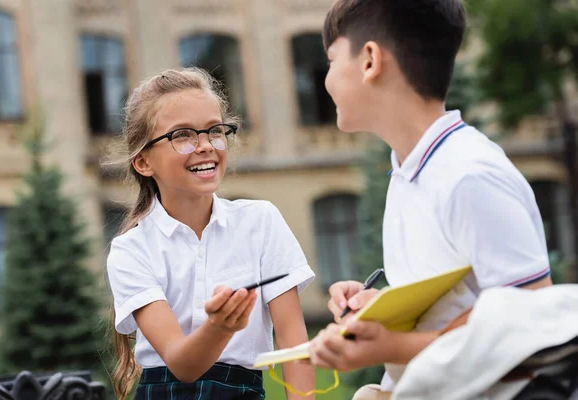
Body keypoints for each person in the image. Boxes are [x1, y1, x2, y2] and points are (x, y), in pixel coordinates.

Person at [307, 1, 553, 398]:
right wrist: (383, 309)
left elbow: (531, 321)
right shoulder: (410, 171)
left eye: (332, 61)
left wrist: (394, 347)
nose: (326, 79)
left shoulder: (468, 175)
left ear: (370, 60)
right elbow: (463, 301)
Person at [105, 68, 315, 400]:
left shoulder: (261, 221)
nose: (205, 146)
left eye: (214, 131)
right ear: (144, 162)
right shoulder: (130, 250)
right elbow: (182, 366)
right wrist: (220, 327)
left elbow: (294, 343)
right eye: (183, 135)